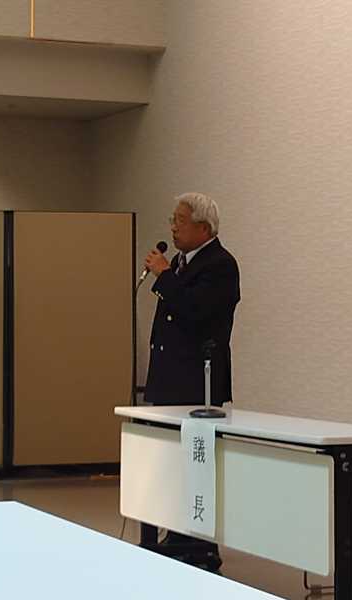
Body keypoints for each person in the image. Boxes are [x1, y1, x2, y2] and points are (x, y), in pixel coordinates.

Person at [141, 192, 241, 571]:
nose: (172, 227)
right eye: (172, 219)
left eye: (179, 221)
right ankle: (174, 535)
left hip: (198, 381)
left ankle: (199, 544)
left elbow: (196, 312)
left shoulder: (220, 264)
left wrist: (165, 276)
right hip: (169, 380)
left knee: (195, 463)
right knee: (170, 462)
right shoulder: (183, 264)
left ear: (203, 227)